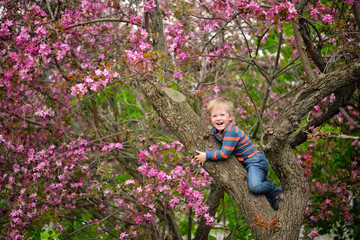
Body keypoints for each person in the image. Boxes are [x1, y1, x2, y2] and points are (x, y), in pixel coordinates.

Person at [193, 97, 281, 210]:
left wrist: (206, 155)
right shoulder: (219, 131)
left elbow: (225, 154)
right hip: (249, 162)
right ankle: (275, 200)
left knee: (255, 187)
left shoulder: (230, 131)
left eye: (222, 115)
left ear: (230, 117)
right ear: (210, 118)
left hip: (255, 161)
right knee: (265, 197)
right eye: (214, 116)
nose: (218, 118)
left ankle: (276, 190)